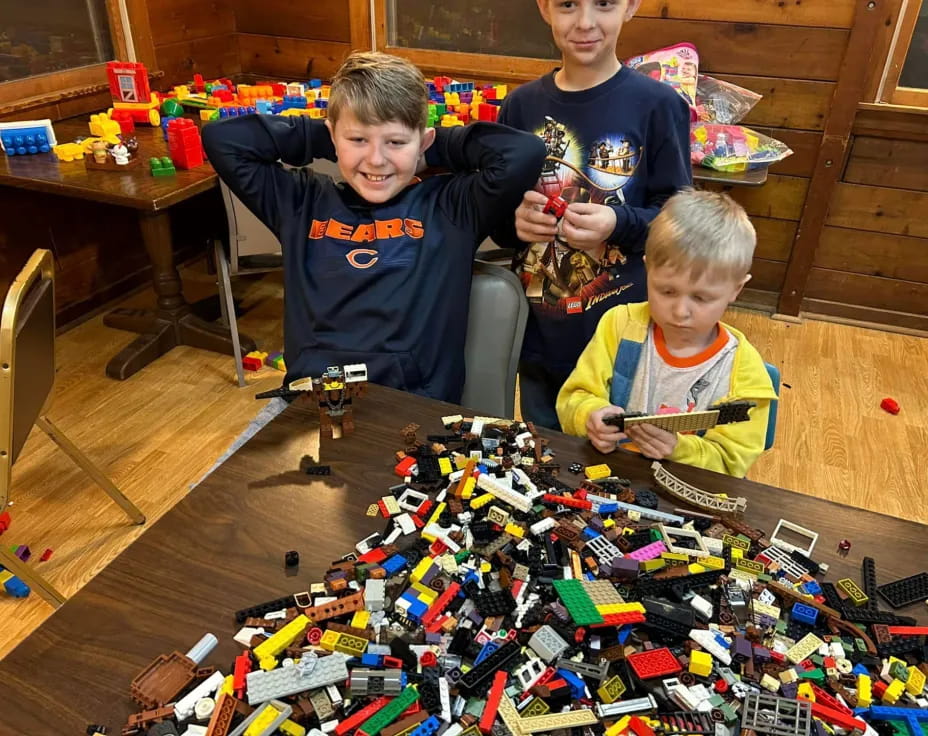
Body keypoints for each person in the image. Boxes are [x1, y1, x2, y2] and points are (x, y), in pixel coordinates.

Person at [203, 52, 545, 402]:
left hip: (413, 408)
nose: (376, 159)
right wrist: (334, 136)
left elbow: (524, 152)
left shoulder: (451, 207)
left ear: (423, 142)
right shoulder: (300, 202)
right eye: (358, 140)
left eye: (395, 142)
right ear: (333, 136)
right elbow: (222, 140)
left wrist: (429, 146)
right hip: (313, 404)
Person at [491, 0, 692, 430]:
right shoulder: (518, 107)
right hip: (538, 336)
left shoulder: (658, 105)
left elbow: (680, 219)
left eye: (603, 4)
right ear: (544, 8)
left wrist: (618, 224)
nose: (585, 22)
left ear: (631, 6)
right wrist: (515, 224)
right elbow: (498, 217)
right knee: (544, 452)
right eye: (567, 4)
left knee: (615, 459)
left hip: (622, 340)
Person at [556, 190, 778, 478]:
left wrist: (678, 449)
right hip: (608, 477)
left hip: (686, 496)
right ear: (649, 269)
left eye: (701, 298)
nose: (680, 311)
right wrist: (589, 416)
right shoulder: (618, 325)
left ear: (736, 289)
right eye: (667, 291)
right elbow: (573, 397)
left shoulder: (745, 375)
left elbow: (730, 464)